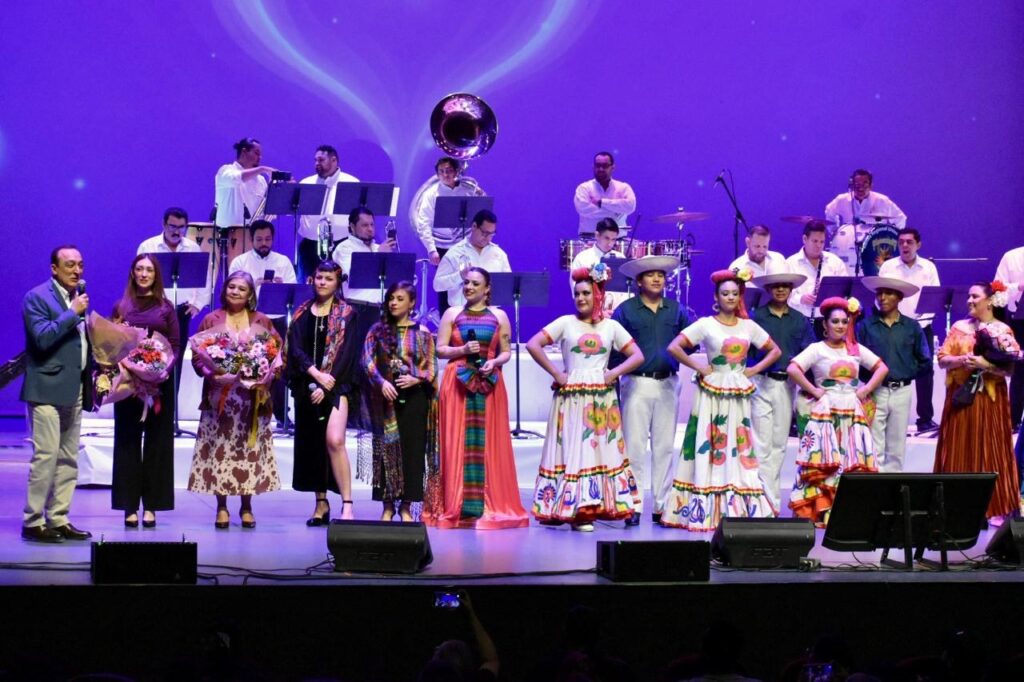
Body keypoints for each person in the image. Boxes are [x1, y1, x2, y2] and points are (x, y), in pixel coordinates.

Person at [660, 269, 781, 531]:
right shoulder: (706, 324)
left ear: (740, 297)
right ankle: (703, 498)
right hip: (712, 390)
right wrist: (701, 368)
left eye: (735, 294)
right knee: (708, 439)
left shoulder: (748, 326)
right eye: (725, 293)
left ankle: (735, 502)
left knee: (738, 442)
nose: (730, 297)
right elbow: (675, 347)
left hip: (737, 390)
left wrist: (752, 371)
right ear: (717, 296)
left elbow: (774, 351)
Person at [527, 263, 644, 531]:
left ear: (598, 294)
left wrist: (614, 373)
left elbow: (637, 356)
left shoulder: (611, 326)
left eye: (586, 293)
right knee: (574, 449)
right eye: (577, 294)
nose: (581, 298)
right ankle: (576, 510)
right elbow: (534, 344)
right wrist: (557, 373)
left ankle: (596, 504)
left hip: (601, 397)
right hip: (572, 395)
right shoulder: (566, 323)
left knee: (602, 449)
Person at [425, 267, 528, 529]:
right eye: (466, 283)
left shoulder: (500, 316)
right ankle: (457, 503)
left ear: (487, 288)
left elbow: (506, 352)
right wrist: (461, 349)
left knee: (490, 441)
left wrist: (493, 362)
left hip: (488, 383)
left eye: (474, 283)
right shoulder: (452, 313)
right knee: (455, 440)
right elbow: (440, 350)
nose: (468, 287)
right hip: (457, 382)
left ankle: (488, 503)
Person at [187, 271, 282, 529]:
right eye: (231, 287)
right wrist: (213, 375)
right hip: (220, 398)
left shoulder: (261, 320)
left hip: (251, 400)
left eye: (242, 288)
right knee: (221, 452)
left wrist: (264, 378)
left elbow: (276, 354)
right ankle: (221, 507)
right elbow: (198, 356)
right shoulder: (211, 319)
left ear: (250, 294)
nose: (235, 292)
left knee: (248, 453)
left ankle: (247, 506)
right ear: (224, 290)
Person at [787, 296, 888, 525]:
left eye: (844, 321)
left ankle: (847, 511)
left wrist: (865, 390)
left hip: (852, 411)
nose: (840, 326)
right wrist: (814, 389)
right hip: (826, 411)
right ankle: (822, 509)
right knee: (826, 459)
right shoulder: (817, 349)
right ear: (825, 324)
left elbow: (882, 368)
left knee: (850, 457)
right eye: (835, 321)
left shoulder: (855, 349)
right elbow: (793, 368)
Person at [20, 245, 94, 543]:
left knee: (68, 458)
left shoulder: (77, 299)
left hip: (74, 387)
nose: (77, 270)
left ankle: (59, 517)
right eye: (69, 265)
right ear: (54, 269)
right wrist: (72, 313)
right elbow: (42, 338)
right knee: (46, 456)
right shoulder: (36, 297)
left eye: (80, 265)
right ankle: (33, 520)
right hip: (47, 389)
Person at [933, 281, 1020, 522]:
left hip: (989, 401)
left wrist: (986, 365)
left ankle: (990, 507)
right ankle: (953, 507)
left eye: (975, 296)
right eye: (969, 296)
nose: (970, 300)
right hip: (961, 399)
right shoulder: (960, 328)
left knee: (988, 448)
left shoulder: (1002, 330)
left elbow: (1009, 369)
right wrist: (962, 359)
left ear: (990, 300)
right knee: (958, 447)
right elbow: (942, 359)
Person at [612, 254, 687, 525]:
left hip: (667, 382)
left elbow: (689, 342)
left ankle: (661, 505)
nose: (657, 279)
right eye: (650, 275)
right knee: (634, 445)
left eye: (661, 275)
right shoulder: (625, 310)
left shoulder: (676, 309)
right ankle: (632, 504)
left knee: (665, 446)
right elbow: (615, 347)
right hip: (636, 382)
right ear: (639, 280)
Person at [286, 260, 361, 525]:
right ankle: (321, 503)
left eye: (328, 279)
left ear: (337, 282)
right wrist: (315, 377)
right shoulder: (302, 312)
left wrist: (326, 383)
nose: (322, 283)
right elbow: (295, 349)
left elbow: (347, 353)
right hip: (309, 384)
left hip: (336, 385)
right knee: (315, 444)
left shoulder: (347, 313)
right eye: (319, 277)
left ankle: (348, 504)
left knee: (334, 441)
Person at [111, 254, 181, 528]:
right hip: (129, 385)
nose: (143, 274)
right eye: (139, 269)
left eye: (148, 270)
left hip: (159, 385)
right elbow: (112, 343)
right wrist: (127, 367)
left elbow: (175, 344)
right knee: (127, 441)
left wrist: (162, 370)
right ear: (132, 273)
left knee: (158, 443)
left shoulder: (166, 307)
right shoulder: (122, 305)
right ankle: (129, 505)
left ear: (155, 274)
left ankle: (152, 505)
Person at [362, 281, 439, 522]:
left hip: (415, 399)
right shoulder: (378, 330)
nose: (394, 303)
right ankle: (387, 505)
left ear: (412, 303)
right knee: (387, 451)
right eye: (391, 298)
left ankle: (406, 505)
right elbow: (366, 360)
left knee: (412, 452)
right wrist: (381, 382)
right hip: (386, 399)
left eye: (400, 299)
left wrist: (418, 378)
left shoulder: (422, 332)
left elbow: (432, 366)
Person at [748, 272, 815, 510]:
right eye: (776, 287)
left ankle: (772, 500)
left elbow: (809, 355)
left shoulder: (799, 320)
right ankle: (761, 501)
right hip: (760, 382)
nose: (780, 291)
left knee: (779, 444)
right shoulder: (756, 317)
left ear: (791, 290)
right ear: (768, 290)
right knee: (760, 442)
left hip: (786, 385)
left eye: (785, 287)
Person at [856, 276, 931, 472]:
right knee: (874, 445)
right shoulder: (865, 326)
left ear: (899, 298)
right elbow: (856, 359)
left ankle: (893, 493)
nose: (882, 297)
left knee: (896, 446)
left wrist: (903, 372)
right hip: (875, 391)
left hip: (902, 390)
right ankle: (876, 492)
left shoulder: (911, 327)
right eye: (879, 293)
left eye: (888, 293)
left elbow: (924, 360)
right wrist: (870, 382)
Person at [230, 219, 298, 424]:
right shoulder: (240, 262)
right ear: (251, 239)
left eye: (268, 239)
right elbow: (231, 291)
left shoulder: (282, 261)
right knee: (250, 366)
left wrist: (279, 287)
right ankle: (248, 411)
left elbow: (293, 292)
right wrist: (255, 286)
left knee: (280, 368)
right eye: (259, 239)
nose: (264, 243)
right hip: (249, 320)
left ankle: (280, 413)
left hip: (277, 320)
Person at [138, 207, 212, 385]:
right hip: (154, 310)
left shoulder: (192, 248)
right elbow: (138, 277)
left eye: (181, 227)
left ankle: (171, 408)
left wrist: (197, 304)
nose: (176, 231)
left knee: (176, 360)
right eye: (172, 226)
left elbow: (206, 277)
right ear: (163, 225)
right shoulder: (148, 246)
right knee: (152, 357)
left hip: (180, 312)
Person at [878, 227, 941, 432]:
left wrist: (921, 319)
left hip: (922, 326)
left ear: (918, 245)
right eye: (902, 242)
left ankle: (925, 419)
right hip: (895, 326)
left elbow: (935, 295)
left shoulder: (928, 267)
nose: (905, 245)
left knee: (925, 372)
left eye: (909, 242)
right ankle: (890, 418)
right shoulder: (888, 266)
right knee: (892, 371)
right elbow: (880, 296)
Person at [297, 144, 360, 282]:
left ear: (334, 160)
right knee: (306, 287)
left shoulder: (351, 182)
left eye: (321, 160)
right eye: (315, 160)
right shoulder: (306, 183)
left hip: (341, 244)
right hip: (310, 246)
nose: (317, 164)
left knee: (341, 287)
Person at [411, 156, 487, 268]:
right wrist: (432, 250)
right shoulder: (431, 194)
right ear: (437, 175)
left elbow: (482, 216)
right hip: (441, 247)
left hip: (468, 244)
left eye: (449, 171)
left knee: (471, 279)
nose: (445, 175)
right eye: (441, 171)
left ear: (456, 172)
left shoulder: (469, 190)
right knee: (444, 283)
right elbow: (424, 223)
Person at [433, 210, 511, 309]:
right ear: (474, 226)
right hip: (461, 313)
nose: (487, 238)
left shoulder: (499, 254)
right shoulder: (455, 252)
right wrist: (460, 276)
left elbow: (507, 286)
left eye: (491, 234)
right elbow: (437, 285)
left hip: (490, 313)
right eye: (484, 233)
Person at [330, 206, 396, 306]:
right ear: (352, 227)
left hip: (385, 306)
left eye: (372, 225)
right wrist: (379, 255)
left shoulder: (378, 247)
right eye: (365, 225)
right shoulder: (344, 247)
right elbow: (355, 276)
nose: (370, 229)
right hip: (358, 307)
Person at [785, 220, 850, 320]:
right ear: (804, 239)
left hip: (828, 319)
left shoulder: (835, 262)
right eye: (815, 241)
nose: (819, 245)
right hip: (799, 319)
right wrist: (800, 299)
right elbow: (783, 294)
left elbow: (845, 289)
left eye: (822, 242)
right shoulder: (790, 263)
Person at [214, 137, 275, 228]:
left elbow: (265, 209)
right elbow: (237, 178)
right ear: (244, 152)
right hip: (226, 234)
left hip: (252, 235)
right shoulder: (226, 170)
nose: (260, 157)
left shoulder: (261, 180)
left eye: (260, 154)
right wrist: (262, 169)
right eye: (256, 153)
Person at [994, 245, 1024, 429]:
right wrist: (1019, 287)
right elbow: (997, 290)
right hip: (1020, 321)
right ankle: (1013, 420)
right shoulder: (1011, 256)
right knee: (1020, 371)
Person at [569, 218, 629, 309]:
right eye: (607, 238)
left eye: (613, 239)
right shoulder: (582, 258)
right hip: (589, 313)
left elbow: (626, 292)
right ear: (597, 235)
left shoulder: (620, 258)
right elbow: (576, 292)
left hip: (615, 313)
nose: (610, 243)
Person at [573, 151, 636, 236]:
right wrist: (617, 212)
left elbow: (630, 207)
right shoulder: (584, 188)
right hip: (589, 239)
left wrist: (601, 203)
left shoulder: (623, 187)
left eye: (605, 166)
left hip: (618, 241)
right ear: (593, 167)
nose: (601, 169)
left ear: (613, 167)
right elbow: (584, 210)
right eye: (598, 165)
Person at [824, 168, 907, 229]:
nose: (860, 188)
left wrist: (891, 236)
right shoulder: (842, 200)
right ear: (852, 185)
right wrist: (835, 232)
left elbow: (900, 218)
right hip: (849, 245)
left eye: (864, 184)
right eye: (857, 184)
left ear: (871, 186)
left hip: (874, 244)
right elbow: (829, 210)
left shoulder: (882, 201)